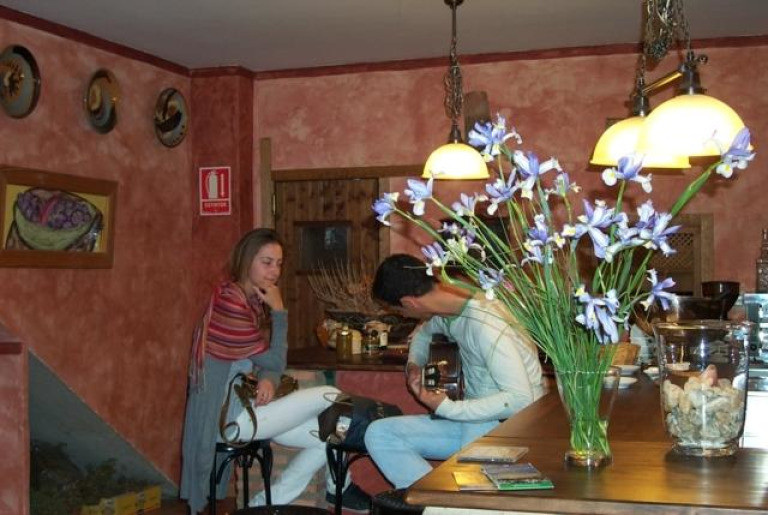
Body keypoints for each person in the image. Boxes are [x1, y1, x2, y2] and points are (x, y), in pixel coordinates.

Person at [180, 228, 370, 512]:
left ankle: (262, 505)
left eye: (279, 264)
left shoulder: (250, 301)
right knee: (331, 395)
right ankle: (339, 486)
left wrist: (268, 380)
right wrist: (280, 313)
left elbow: (265, 363)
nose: (274, 271)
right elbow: (274, 360)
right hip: (229, 420)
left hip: (249, 409)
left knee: (329, 440)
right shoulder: (230, 303)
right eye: (266, 262)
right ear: (246, 260)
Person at [364, 253, 546, 488]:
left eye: (401, 312)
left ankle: (446, 501)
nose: (404, 316)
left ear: (409, 303)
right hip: (474, 420)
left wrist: (446, 407)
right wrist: (414, 366)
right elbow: (423, 334)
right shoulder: (447, 311)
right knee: (380, 434)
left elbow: (520, 400)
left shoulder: (487, 324)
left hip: (509, 429)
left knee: (465, 487)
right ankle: (430, 500)